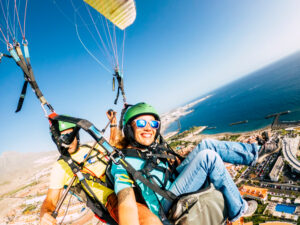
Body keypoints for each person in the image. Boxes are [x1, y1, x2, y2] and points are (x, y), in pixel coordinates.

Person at [110, 102, 259, 225]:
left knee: (206, 145)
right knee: (208, 157)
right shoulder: (122, 162)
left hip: (173, 182)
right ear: (129, 128)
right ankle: (239, 210)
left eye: (153, 123)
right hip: (166, 204)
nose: (149, 128)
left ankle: (254, 153)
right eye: (141, 123)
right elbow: (126, 202)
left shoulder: (148, 149)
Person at [40, 114, 162, 225]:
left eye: (69, 135)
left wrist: (113, 123)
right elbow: (51, 199)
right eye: (61, 138)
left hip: (129, 180)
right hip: (113, 197)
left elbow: (113, 146)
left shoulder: (91, 147)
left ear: (76, 135)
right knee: (149, 221)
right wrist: (45, 214)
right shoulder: (61, 166)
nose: (66, 141)